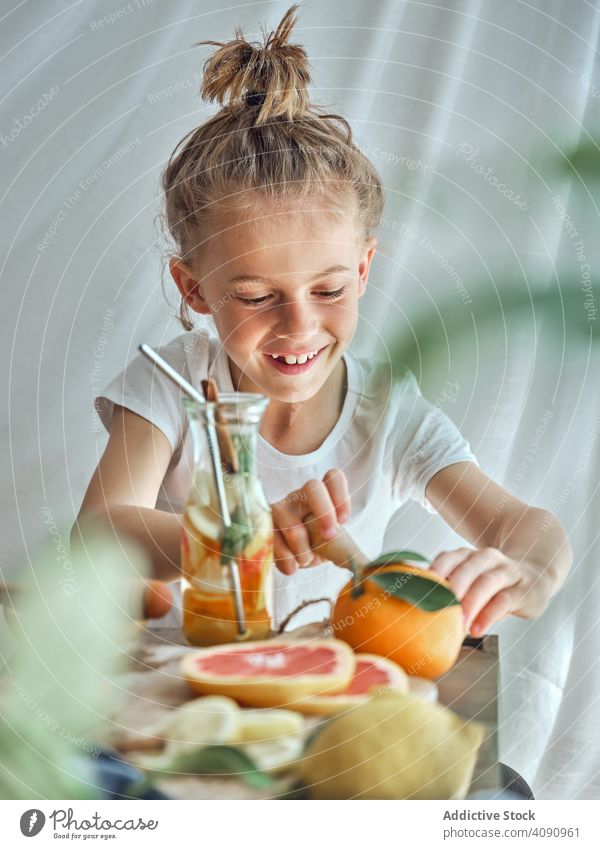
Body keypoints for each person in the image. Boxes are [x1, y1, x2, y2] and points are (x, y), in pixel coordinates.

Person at [73, 5, 571, 637]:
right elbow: (98, 533)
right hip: (179, 705)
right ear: (194, 289)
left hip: (326, 710)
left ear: (363, 271)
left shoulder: (388, 414)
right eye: (256, 297)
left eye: (329, 289)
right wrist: (238, 538)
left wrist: (525, 570)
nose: (299, 325)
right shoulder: (173, 382)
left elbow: (531, 529)